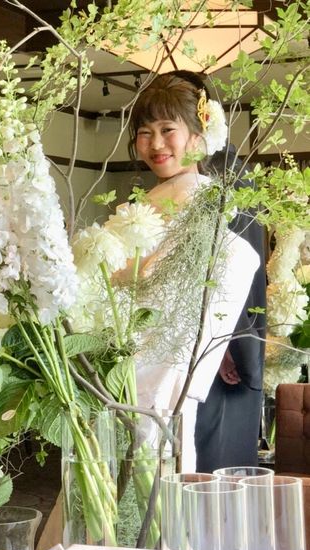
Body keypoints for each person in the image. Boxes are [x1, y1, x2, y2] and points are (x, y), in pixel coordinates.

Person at [124, 72, 260, 471]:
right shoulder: (152, 198)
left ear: (198, 137)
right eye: (145, 133)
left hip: (166, 367)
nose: (156, 144)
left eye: (168, 129)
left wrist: (223, 341)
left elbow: (239, 263)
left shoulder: (207, 195)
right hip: (133, 365)